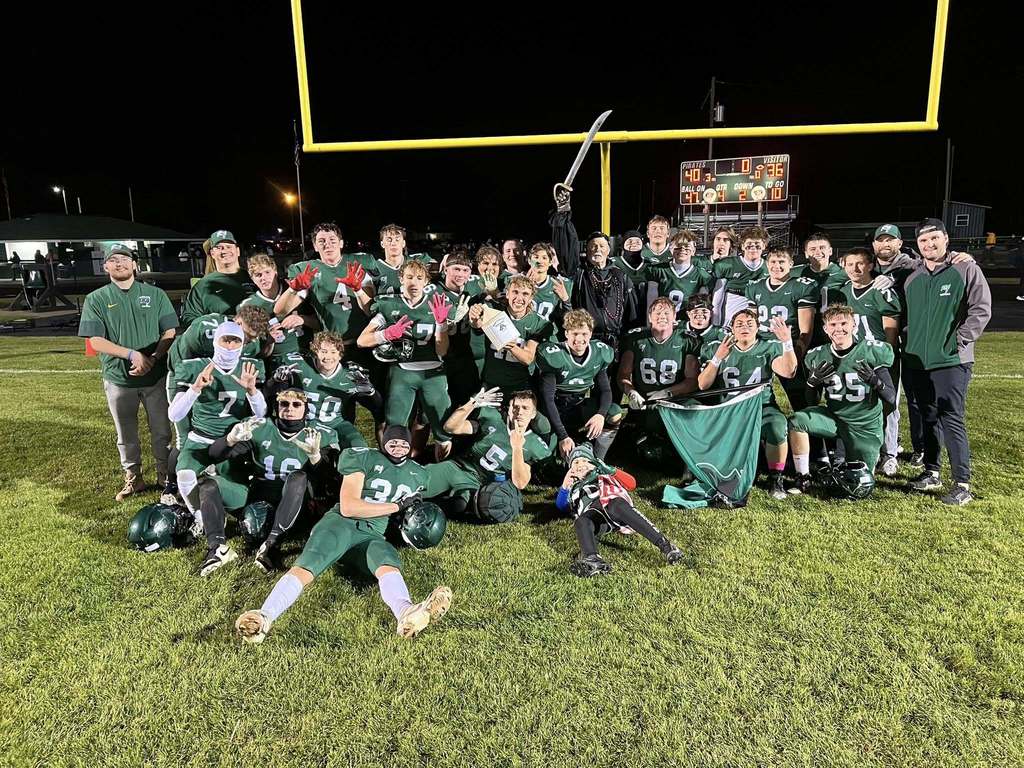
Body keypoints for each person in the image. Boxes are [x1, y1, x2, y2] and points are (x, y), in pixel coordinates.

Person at [234, 426, 452, 644]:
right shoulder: (364, 458)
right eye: (392, 442)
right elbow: (349, 506)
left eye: (403, 443)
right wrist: (396, 507)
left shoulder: (417, 473)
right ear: (382, 442)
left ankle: (406, 614)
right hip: (340, 524)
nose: (398, 447)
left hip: (372, 533)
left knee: (386, 560)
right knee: (308, 566)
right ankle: (264, 617)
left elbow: (427, 492)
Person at [902, 218, 992, 505]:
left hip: (951, 360)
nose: (929, 245)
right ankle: (931, 471)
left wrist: (960, 340)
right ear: (917, 246)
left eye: (934, 239)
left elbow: (981, 309)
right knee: (927, 417)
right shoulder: (913, 276)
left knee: (951, 417)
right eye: (923, 241)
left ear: (946, 239)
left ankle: (962, 483)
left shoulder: (965, 268)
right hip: (918, 360)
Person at [78, 244, 178, 501]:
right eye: (114, 260)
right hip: (118, 378)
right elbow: (95, 341)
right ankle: (133, 478)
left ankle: (165, 476)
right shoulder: (97, 298)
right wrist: (132, 354)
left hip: (155, 377)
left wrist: (153, 358)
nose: (120, 263)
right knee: (126, 433)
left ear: (135, 264)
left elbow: (169, 332)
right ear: (105, 267)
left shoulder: (155, 294)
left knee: (162, 430)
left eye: (125, 259)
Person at [167, 321, 267, 573]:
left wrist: (252, 391)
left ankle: (218, 512)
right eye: (226, 340)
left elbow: (262, 414)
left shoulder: (250, 367)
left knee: (237, 496)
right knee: (185, 474)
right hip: (201, 438)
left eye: (235, 341)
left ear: (242, 343)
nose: (230, 345)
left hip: (234, 442)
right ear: (215, 341)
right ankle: (201, 519)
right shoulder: (194, 367)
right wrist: (195, 389)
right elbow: (175, 414)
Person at [209, 387, 340, 572]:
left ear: (306, 409)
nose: (290, 408)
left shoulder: (318, 433)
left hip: (298, 503)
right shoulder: (260, 428)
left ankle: (272, 545)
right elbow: (215, 455)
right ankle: (217, 548)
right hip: (259, 495)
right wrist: (230, 440)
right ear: (276, 407)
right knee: (209, 484)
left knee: (298, 476)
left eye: (296, 404)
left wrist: (316, 457)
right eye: (284, 404)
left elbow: (330, 480)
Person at [787, 304, 896, 495]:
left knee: (860, 486)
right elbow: (811, 402)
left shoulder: (872, 351)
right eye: (833, 324)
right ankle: (803, 476)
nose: (839, 329)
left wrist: (875, 381)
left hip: (865, 426)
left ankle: (843, 460)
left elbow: (891, 398)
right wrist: (812, 383)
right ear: (825, 329)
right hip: (835, 418)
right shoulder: (817, 354)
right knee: (797, 420)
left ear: (854, 325)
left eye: (844, 323)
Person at [697, 308, 797, 500]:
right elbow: (703, 384)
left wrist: (787, 342)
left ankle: (776, 478)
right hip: (729, 409)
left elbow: (788, 372)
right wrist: (718, 358)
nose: (745, 327)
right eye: (739, 324)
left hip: (761, 407)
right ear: (731, 329)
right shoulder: (719, 347)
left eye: (750, 324)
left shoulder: (768, 347)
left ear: (758, 328)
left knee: (777, 426)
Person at [357, 260, 453, 456]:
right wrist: (386, 334)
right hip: (402, 372)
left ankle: (441, 473)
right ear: (401, 279)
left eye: (419, 278)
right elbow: (362, 340)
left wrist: (441, 324)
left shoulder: (436, 305)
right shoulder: (389, 304)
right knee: (395, 428)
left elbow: (442, 351)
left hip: (433, 373)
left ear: (426, 281)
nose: (414, 283)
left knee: (443, 431)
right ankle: (394, 472)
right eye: (409, 277)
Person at [556, 444, 686, 577]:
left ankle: (666, 546)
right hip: (598, 517)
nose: (581, 464)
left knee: (615, 504)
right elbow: (561, 506)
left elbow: (632, 483)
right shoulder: (574, 488)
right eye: (576, 462)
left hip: (615, 509)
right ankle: (592, 560)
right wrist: (565, 485)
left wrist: (611, 471)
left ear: (594, 463)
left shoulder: (602, 474)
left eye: (585, 460)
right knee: (581, 521)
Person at [429, 389, 553, 519]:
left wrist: (517, 447)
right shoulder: (494, 419)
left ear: (533, 414)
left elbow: (520, 483)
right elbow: (450, 427)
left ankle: (423, 508)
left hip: (478, 484)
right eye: (515, 407)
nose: (519, 412)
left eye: (525, 408)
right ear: (509, 408)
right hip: (457, 467)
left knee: (459, 505)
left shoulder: (534, 444)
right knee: (420, 481)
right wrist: (473, 403)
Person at [618, 297, 700, 460]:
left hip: (674, 402)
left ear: (675, 316)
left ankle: (689, 462)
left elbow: (692, 381)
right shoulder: (636, 338)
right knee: (644, 452)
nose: (662, 316)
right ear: (649, 317)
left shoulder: (686, 340)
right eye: (657, 312)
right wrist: (632, 392)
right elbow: (623, 375)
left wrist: (668, 392)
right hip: (645, 402)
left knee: (695, 412)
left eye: (666, 312)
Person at [537, 309, 623, 460]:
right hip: (555, 408)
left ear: (590, 334)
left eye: (584, 333)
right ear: (566, 334)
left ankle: (598, 458)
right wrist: (563, 435)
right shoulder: (554, 354)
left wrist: (600, 415)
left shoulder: (599, 352)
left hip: (579, 405)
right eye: (574, 333)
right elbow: (547, 399)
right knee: (549, 458)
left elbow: (605, 390)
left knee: (614, 412)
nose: (579, 339)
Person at [744, 246, 818, 413]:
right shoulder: (754, 286)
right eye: (773, 262)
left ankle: (802, 430)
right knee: (758, 395)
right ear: (766, 263)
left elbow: (806, 330)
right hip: (761, 346)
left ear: (791, 264)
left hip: (786, 346)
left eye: (782, 262)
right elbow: (751, 323)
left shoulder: (802, 287)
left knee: (797, 398)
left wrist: (797, 353)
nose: (777, 266)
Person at [273, 331, 377, 449]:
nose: (328, 357)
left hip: (336, 423)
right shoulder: (299, 366)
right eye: (323, 351)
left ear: (340, 355)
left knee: (358, 446)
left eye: (333, 352)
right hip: (304, 423)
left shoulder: (351, 375)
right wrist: (277, 378)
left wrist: (371, 392)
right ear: (315, 352)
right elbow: (274, 388)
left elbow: (376, 407)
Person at [469, 275, 552, 397]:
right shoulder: (494, 310)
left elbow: (528, 358)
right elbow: (477, 325)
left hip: (520, 384)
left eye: (525, 294)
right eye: (515, 292)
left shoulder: (538, 323)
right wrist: (474, 317)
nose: (519, 298)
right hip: (492, 382)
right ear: (507, 294)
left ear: (531, 298)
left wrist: (509, 344)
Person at [239, 253, 310, 368]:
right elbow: (257, 354)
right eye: (258, 275)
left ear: (275, 271)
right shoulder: (248, 307)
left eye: (267, 272)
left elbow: (320, 323)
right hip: (278, 362)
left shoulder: (294, 289)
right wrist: (269, 340)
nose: (263, 278)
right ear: (252, 279)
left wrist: (302, 319)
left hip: (307, 354)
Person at [179, 230, 256, 327]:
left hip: (255, 338)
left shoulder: (254, 278)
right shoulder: (203, 285)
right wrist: (213, 326)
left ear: (238, 251)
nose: (224, 251)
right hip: (221, 340)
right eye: (219, 248)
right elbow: (189, 317)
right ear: (212, 253)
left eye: (229, 247)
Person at [645, 229, 714, 316]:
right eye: (679, 246)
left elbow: (701, 306)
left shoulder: (702, 275)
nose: (682, 250)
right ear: (671, 249)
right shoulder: (658, 270)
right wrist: (650, 322)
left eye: (687, 247)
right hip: (662, 320)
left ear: (693, 251)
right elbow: (651, 301)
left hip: (687, 322)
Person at [711, 225, 769, 327]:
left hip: (760, 310)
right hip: (731, 309)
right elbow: (717, 299)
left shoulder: (770, 267)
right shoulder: (727, 264)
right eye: (749, 244)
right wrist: (716, 324)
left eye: (757, 244)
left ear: (764, 245)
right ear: (742, 246)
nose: (753, 248)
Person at [525, 242, 573, 325]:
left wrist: (566, 300)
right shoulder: (518, 282)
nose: (539, 261)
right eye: (536, 257)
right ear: (529, 260)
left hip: (549, 334)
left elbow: (569, 320)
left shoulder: (560, 284)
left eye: (544, 258)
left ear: (550, 262)